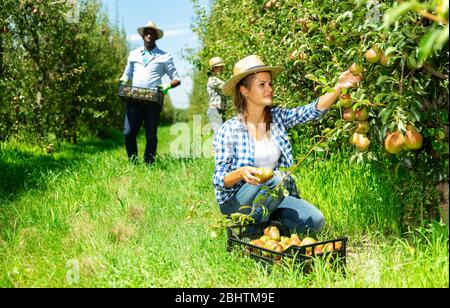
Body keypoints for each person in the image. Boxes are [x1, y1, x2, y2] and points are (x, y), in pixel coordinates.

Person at [212, 55, 361, 233]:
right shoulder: (229, 130)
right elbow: (219, 179)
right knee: (274, 179)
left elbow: (311, 111)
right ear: (245, 91)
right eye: (262, 85)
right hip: (237, 202)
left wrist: (338, 87)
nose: (269, 89)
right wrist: (240, 173)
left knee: (314, 221)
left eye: (270, 84)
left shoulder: (277, 118)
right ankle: (248, 232)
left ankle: (270, 222)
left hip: (274, 193)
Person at [120, 21, 181, 164]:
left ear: (156, 37)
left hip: (153, 100)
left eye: (152, 32)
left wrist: (168, 86)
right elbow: (127, 73)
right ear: (142, 35)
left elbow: (177, 78)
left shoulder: (164, 56)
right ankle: (133, 162)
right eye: (147, 32)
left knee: (151, 134)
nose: (149, 34)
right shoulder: (133, 54)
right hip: (134, 98)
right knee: (128, 133)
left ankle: (149, 163)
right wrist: (124, 78)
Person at [207, 57, 227, 135]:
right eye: (220, 67)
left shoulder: (218, 79)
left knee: (222, 135)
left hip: (221, 111)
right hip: (215, 110)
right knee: (219, 135)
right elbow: (226, 86)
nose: (222, 69)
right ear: (214, 68)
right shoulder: (213, 80)